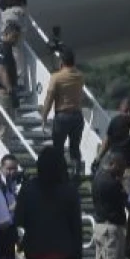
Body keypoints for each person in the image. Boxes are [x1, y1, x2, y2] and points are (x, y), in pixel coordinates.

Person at [15, 146, 83, 259]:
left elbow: (19, 219)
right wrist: (78, 254)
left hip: (35, 249)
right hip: (63, 251)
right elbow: (76, 225)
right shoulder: (70, 191)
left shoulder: (27, 189)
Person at [40, 47, 87, 175]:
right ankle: (76, 173)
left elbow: (49, 98)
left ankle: (61, 173)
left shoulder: (57, 77)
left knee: (58, 148)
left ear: (61, 61)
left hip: (62, 115)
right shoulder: (80, 76)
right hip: (77, 115)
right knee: (75, 147)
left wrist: (44, 116)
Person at [92, 153, 129, 259]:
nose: (123, 170)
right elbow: (126, 201)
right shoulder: (113, 183)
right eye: (121, 166)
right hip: (111, 229)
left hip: (100, 226)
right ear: (112, 164)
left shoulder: (97, 178)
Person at [0, 23, 21, 139]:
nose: (16, 40)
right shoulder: (4, 49)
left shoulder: (5, 48)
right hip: (3, 91)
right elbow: (2, 69)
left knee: (6, 125)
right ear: (6, 34)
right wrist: (9, 88)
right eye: (14, 36)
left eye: (17, 37)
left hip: (4, 90)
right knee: (2, 126)